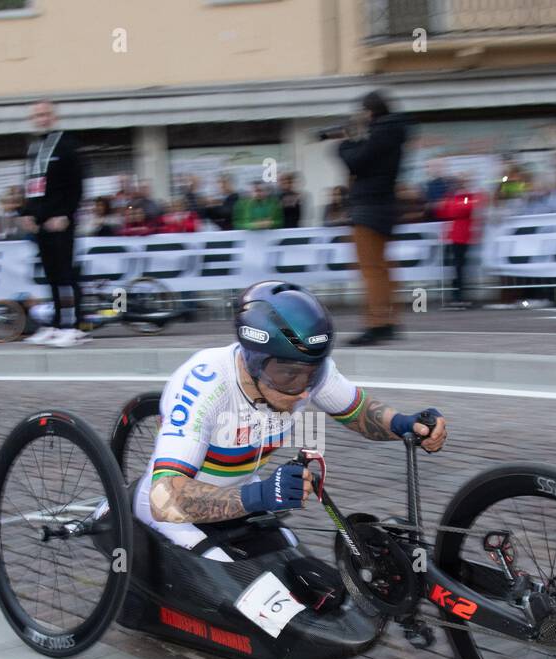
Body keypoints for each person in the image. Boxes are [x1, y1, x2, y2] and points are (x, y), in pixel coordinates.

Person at [138, 281, 446, 558]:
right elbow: (165, 499)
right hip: (175, 511)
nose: (303, 392)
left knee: (310, 584)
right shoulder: (204, 387)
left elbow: (360, 411)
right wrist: (261, 494)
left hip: (241, 493)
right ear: (253, 361)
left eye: (312, 374)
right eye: (288, 375)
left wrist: (404, 424)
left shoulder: (303, 369)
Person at [336, 90, 410, 346]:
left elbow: (357, 163)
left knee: (371, 270)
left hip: (368, 208)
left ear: (369, 112)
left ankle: (375, 324)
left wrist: (345, 143)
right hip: (385, 206)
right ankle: (390, 321)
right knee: (383, 268)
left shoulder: (380, 135)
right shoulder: (394, 133)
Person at [20, 99, 85, 331]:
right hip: (40, 225)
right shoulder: (34, 148)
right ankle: (57, 323)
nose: (41, 119)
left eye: (45, 115)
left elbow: (77, 185)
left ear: (54, 117)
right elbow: (32, 184)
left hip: (60, 222)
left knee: (66, 273)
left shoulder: (66, 144)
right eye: (37, 116)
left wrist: (66, 214)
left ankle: (74, 325)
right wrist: (26, 212)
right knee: (51, 276)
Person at [435, 177, 481, 309]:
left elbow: (462, 209)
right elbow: (442, 212)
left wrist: (450, 205)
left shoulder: (466, 197)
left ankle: (459, 294)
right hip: (452, 236)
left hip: (461, 236)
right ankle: (454, 293)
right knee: (453, 266)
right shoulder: (452, 197)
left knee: (459, 266)